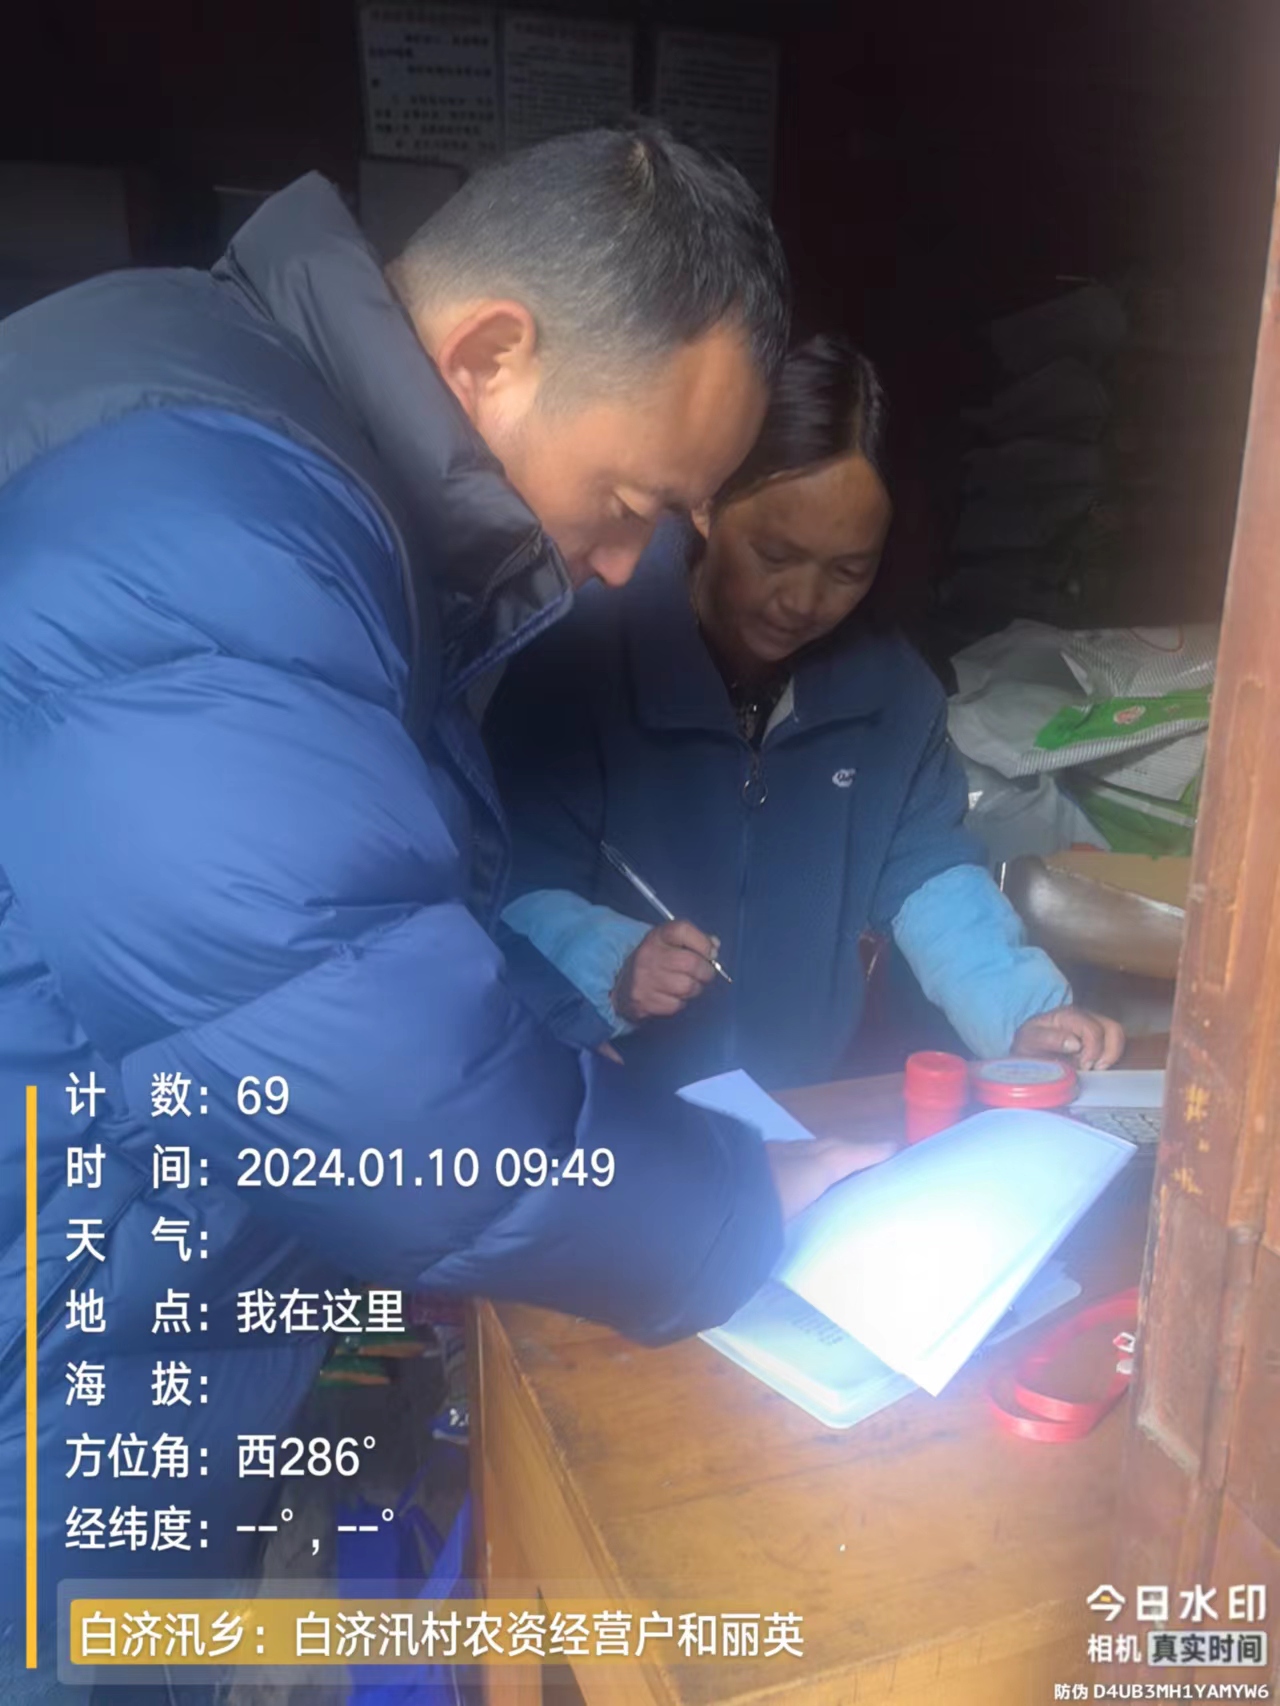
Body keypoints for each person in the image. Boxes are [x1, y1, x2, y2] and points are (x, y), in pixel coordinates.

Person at [0, 128, 893, 1694]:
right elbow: (366, 1083)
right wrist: (738, 1200)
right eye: (628, 501)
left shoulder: (236, 421)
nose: (619, 567)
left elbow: (337, 917)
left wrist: (551, 1041)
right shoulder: (209, 528)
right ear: (491, 353)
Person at [487, 335, 1125, 1095]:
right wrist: (613, 964)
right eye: (775, 554)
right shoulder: (582, 659)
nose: (802, 601)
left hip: (800, 1108)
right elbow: (504, 887)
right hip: (609, 1101)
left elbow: (933, 883)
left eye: (848, 570)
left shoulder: (893, 697)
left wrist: (1025, 1014)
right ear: (706, 503)